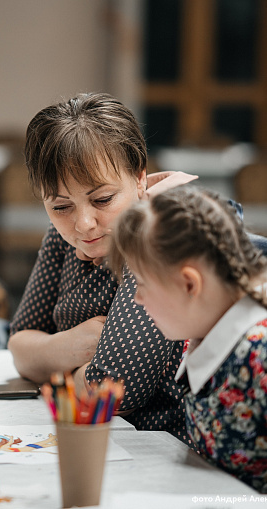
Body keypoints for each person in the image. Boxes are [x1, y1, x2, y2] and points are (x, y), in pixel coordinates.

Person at [8, 92, 199, 443]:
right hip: (93, 439)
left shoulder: (160, 233)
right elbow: (19, 346)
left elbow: (116, 390)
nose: (84, 224)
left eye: (102, 200)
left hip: (167, 449)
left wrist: (51, 363)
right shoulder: (62, 236)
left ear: (140, 179)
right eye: (61, 206)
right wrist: (79, 344)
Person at [108, 185, 267, 493]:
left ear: (189, 284)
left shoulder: (259, 355)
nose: (137, 299)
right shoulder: (199, 336)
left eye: (141, 283)